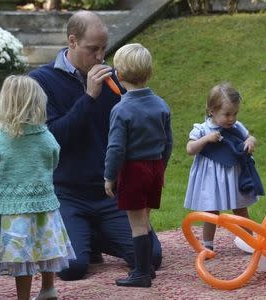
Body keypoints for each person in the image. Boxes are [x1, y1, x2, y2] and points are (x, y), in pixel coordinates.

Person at [29, 10, 162, 281]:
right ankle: (78, 235)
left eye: (104, 48)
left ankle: (90, 236)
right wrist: (89, 97)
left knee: (152, 258)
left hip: (109, 192)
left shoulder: (114, 79)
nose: (101, 57)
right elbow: (54, 138)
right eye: (93, 49)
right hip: (67, 192)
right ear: (72, 41)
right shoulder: (41, 81)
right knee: (71, 269)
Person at [0, 75, 75, 300]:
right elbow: (54, 159)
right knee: (47, 247)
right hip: (44, 205)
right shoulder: (46, 136)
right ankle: (47, 288)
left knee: (21, 256)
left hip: (13, 211)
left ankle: (23, 297)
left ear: (4, 104)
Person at [104, 43, 173, 287]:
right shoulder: (161, 104)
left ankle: (141, 273)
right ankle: (145, 268)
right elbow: (168, 142)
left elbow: (116, 148)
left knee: (136, 225)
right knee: (144, 220)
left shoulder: (121, 109)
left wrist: (109, 176)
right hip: (154, 168)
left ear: (118, 75)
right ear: (149, 73)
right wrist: (161, 167)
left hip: (133, 171)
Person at [184, 82, 264, 252]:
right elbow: (190, 149)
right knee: (211, 212)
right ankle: (207, 245)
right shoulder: (202, 129)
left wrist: (250, 141)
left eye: (235, 113)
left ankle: (249, 241)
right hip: (210, 178)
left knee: (240, 208)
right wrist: (206, 139)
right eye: (227, 114)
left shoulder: (237, 127)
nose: (232, 118)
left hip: (233, 176)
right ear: (211, 110)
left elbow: (251, 137)